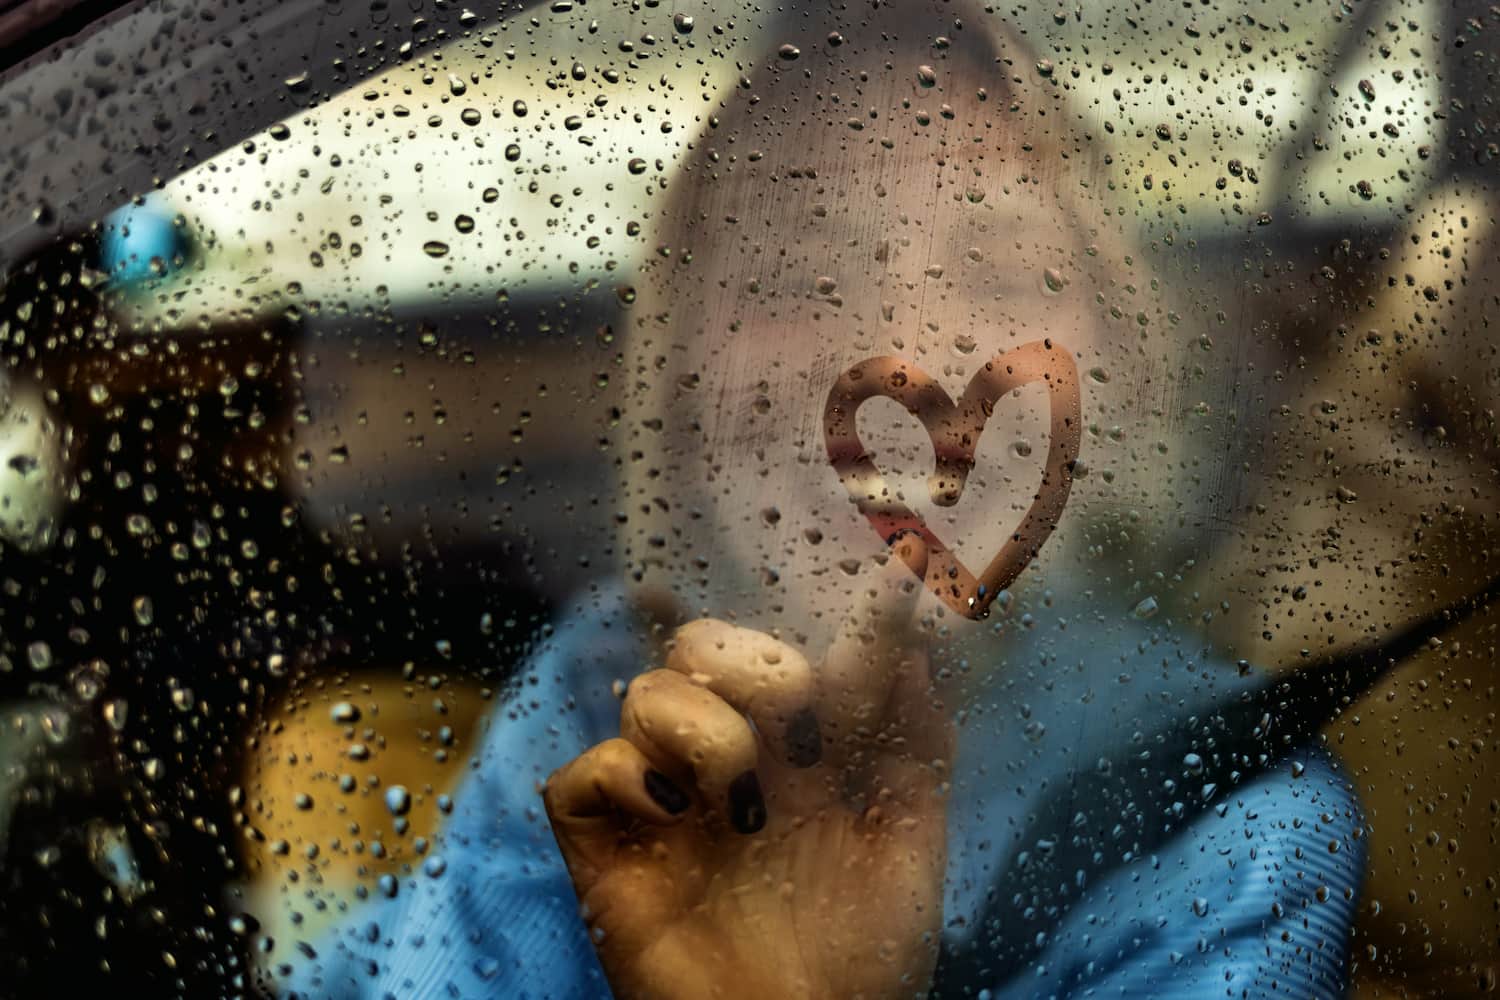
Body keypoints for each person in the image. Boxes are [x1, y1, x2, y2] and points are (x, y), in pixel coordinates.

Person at [284, 4, 1371, 997]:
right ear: (680, 378)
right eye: (796, 276)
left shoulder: (1233, 814)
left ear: (1117, 365)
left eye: (994, 265)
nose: (897, 354)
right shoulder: (592, 694)